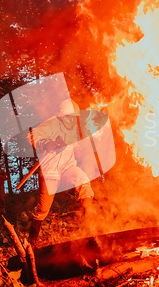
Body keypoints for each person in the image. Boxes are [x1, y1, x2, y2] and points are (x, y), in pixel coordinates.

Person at [27, 99, 95, 247]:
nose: (71, 121)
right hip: (50, 170)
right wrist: (45, 144)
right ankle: (30, 243)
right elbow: (32, 136)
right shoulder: (52, 123)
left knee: (83, 180)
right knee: (43, 209)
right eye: (68, 118)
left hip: (67, 168)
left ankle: (89, 226)